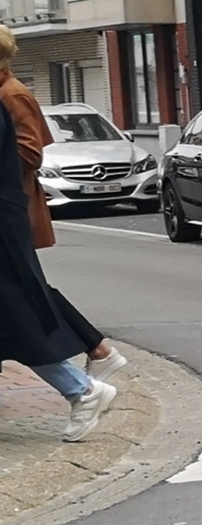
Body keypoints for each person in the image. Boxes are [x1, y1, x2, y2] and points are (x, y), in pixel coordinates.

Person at [0, 31, 114, 439]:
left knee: (20, 314)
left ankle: (82, 387)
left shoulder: (9, 94)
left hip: (5, 221)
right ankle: (92, 364)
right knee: (21, 309)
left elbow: (28, 153)